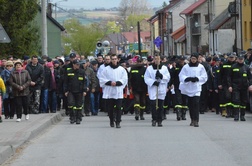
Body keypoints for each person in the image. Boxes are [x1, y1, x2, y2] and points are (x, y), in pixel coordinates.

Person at [99, 54, 128, 128]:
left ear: (118, 60)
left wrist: (117, 83)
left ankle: (118, 122)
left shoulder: (121, 69)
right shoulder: (106, 69)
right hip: (109, 91)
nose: (114, 60)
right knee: (110, 108)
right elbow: (102, 79)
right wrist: (110, 82)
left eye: (115, 59)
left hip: (118, 91)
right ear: (111, 60)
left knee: (119, 107)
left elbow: (125, 79)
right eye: (113, 59)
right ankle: (111, 120)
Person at [179, 53, 207, 127]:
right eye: (192, 59)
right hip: (188, 88)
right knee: (191, 105)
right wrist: (187, 78)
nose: (193, 60)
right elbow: (181, 75)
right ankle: (192, 119)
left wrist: (198, 79)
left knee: (196, 103)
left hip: (196, 88)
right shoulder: (186, 67)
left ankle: (196, 120)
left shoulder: (201, 67)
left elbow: (204, 76)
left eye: (195, 59)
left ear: (197, 59)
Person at [144, 54, 170, 127]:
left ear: (160, 60)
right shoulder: (149, 68)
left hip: (161, 88)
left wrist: (161, 76)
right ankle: (154, 119)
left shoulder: (164, 68)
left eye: (158, 59)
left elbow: (168, 78)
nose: (157, 60)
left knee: (160, 105)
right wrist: (153, 82)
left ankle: (160, 120)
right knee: (153, 105)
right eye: (155, 59)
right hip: (153, 89)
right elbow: (146, 78)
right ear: (153, 60)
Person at [227, 54, 252, 121]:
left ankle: (242, 116)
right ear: (237, 59)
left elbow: (250, 77)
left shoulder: (246, 67)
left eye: (242, 59)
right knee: (236, 101)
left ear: (243, 60)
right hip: (235, 86)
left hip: (244, 87)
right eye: (239, 59)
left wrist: (250, 85)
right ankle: (236, 115)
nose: (240, 60)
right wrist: (230, 86)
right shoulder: (233, 67)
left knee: (244, 102)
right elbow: (229, 77)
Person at [64, 59, 87, 124]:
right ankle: (72, 117)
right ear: (73, 65)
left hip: (79, 91)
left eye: (79, 64)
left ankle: (78, 118)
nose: (78, 66)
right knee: (71, 104)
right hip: (71, 91)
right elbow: (65, 82)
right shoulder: (69, 71)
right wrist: (65, 90)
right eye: (77, 65)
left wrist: (84, 90)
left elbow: (84, 82)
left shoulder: (82, 72)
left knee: (79, 105)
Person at [129, 55, 147, 120]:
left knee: (143, 102)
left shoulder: (145, 69)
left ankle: (141, 114)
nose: (139, 63)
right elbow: (130, 79)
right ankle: (137, 113)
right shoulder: (133, 69)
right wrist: (130, 87)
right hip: (135, 88)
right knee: (137, 100)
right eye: (138, 62)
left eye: (140, 62)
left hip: (143, 88)